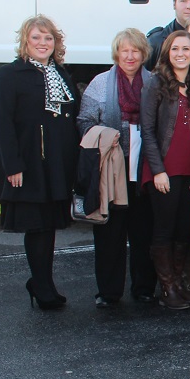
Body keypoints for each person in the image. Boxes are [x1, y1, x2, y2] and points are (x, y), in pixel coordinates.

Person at [0, 16, 80, 310]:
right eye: (37, 38)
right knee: (36, 225)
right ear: (25, 42)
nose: (43, 44)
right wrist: (13, 165)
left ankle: (44, 283)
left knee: (49, 225)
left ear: (56, 43)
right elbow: (1, 123)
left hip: (57, 164)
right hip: (28, 164)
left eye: (49, 38)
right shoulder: (9, 75)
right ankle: (41, 285)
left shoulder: (63, 76)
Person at [77, 28, 157, 307]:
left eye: (135, 50)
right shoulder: (100, 83)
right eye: (125, 50)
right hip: (111, 169)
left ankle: (144, 287)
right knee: (110, 232)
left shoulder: (154, 82)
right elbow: (84, 122)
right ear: (116, 53)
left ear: (143, 53)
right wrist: (109, 135)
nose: (130, 55)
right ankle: (109, 292)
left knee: (143, 231)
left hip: (144, 167)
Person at [140, 30, 190, 311]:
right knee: (164, 230)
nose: (181, 54)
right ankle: (167, 289)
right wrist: (158, 170)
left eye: (186, 49)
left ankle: (178, 283)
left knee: (184, 229)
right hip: (163, 170)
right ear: (167, 52)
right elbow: (148, 131)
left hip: (188, 170)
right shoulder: (155, 84)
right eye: (175, 49)